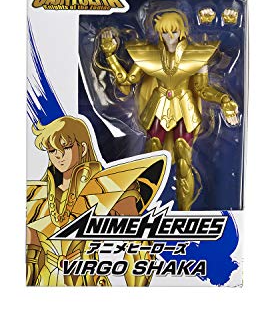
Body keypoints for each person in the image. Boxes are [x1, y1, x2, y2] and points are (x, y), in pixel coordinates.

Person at [96, 10, 239, 210]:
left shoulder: (196, 55)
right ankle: (141, 207)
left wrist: (224, 100)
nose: (170, 37)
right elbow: (127, 81)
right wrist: (110, 56)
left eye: (174, 32)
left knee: (183, 158)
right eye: (165, 32)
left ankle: (185, 212)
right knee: (151, 157)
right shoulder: (149, 55)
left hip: (184, 109)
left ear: (182, 31)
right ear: (159, 33)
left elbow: (202, 89)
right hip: (158, 106)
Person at [26, 115, 166, 286]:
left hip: (87, 281)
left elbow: (138, 246)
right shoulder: (36, 194)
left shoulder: (109, 186)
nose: (59, 156)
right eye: (52, 150)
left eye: (66, 147)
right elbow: (32, 254)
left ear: (83, 148)